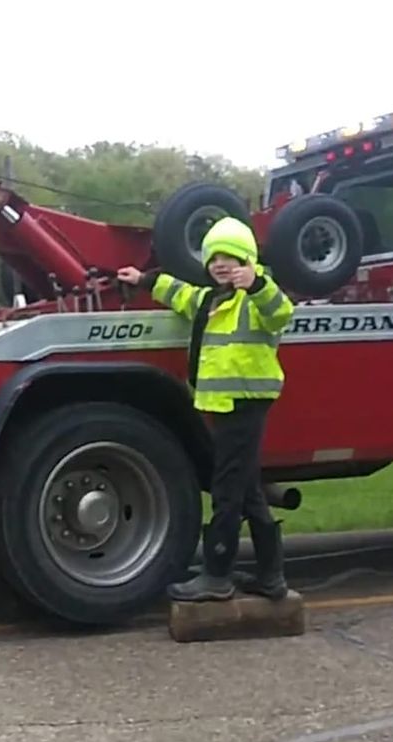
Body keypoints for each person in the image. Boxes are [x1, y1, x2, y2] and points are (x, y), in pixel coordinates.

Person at [116, 216, 294, 602]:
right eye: (215, 258)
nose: (221, 265)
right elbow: (180, 293)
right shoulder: (210, 299)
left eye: (230, 258)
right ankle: (271, 576)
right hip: (222, 404)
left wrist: (257, 283)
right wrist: (143, 279)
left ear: (247, 260)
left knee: (228, 490)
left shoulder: (258, 295)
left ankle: (217, 575)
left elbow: (281, 313)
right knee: (246, 488)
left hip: (245, 402)